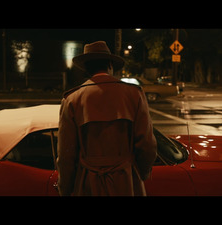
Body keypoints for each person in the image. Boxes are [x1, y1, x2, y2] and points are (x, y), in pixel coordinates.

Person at [56, 41, 157, 196]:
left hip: (87, 184)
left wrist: (66, 189)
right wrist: (141, 174)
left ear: (87, 68)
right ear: (110, 64)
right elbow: (147, 145)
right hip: (126, 182)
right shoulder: (134, 94)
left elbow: (66, 156)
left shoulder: (72, 99)